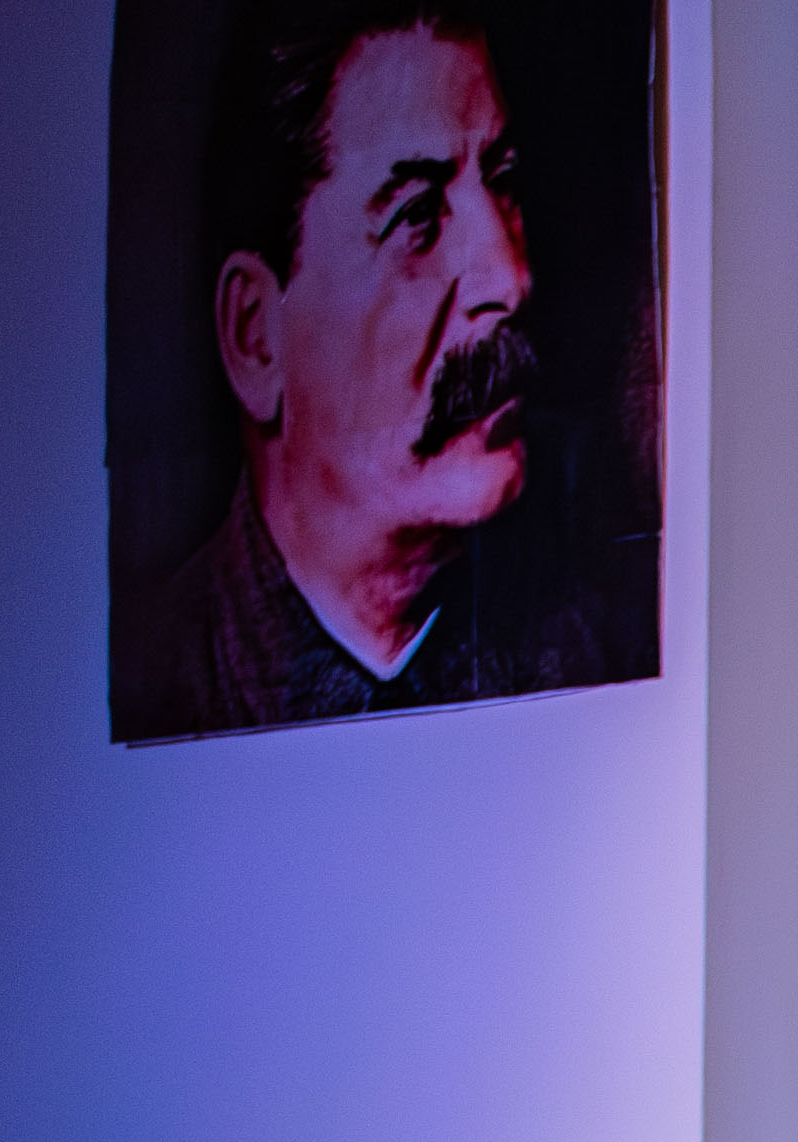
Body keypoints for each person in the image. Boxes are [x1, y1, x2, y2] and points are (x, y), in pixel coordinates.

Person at [116, 3, 638, 741]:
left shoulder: (599, 644)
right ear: (256, 337)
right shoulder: (156, 689)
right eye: (418, 215)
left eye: (504, 181)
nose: (509, 279)